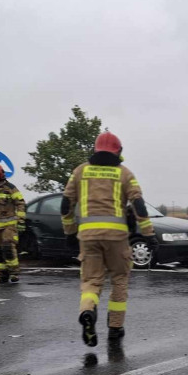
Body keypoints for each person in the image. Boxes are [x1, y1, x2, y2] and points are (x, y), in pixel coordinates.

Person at [61, 130, 156, 347]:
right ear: (118, 151)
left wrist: (69, 233)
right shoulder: (124, 173)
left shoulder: (80, 172)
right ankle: (115, 328)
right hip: (117, 237)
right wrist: (149, 235)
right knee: (119, 281)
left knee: (92, 281)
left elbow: (66, 204)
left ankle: (87, 310)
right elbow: (139, 206)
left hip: (88, 236)